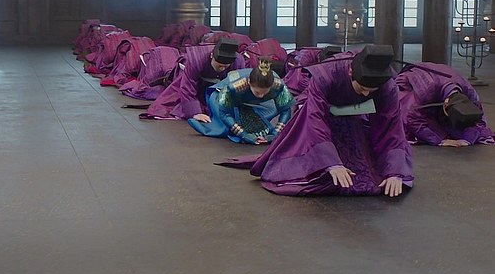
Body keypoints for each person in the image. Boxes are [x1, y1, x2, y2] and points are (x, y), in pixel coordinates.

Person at [230, 45, 412, 197]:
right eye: (362, 88)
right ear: (351, 72)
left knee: (371, 177)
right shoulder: (326, 74)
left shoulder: (387, 85)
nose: (365, 94)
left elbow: (391, 126)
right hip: (319, 116)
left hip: (356, 119)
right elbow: (315, 119)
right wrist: (331, 163)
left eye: (371, 92)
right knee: (326, 177)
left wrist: (394, 171)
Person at [188, 59, 294, 144]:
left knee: (273, 109)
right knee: (227, 127)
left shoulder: (278, 85)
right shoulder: (234, 87)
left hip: (253, 102)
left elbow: (286, 110)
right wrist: (243, 134)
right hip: (220, 96)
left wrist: (276, 134)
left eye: (265, 92)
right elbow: (225, 114)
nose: (261, 95)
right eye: (258, 92)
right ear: (249, 82)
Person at [395, 62, 493, 146]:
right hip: (415, 82)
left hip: (442, 82)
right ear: (445, 105)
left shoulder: (470, 94)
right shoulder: (426, 91)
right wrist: (440, 140)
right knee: (404, 118)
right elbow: (412, 118)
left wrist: (467, 139)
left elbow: (479, 120)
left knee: (463, 131)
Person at [144, 38, 246, 119]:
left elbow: (237, 88)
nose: (222, 69)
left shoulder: (238, 62)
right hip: (193, 82)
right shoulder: (196, 60)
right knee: (169, 103)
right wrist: (195, 113)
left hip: (218, 88)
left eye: (225, 66)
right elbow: (187, 88)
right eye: (219, 66)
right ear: (212, 56)